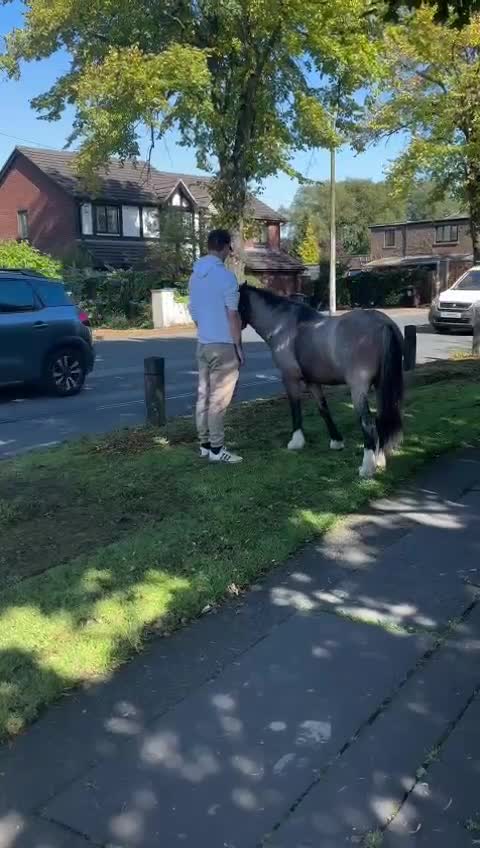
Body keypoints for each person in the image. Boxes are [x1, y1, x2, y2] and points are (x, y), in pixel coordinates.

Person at [188, 228, 244, 463]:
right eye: (229, 248)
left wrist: (204, 328)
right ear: (224, 247)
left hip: (203, 344)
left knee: (204, 397)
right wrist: (238, 348)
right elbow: (233, 316)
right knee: (218, 401)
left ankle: (204, 444)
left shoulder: (194, 275)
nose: (229, 253)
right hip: (223, 346)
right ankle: (217, 450)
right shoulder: (226, 278)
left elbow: (193, 311)